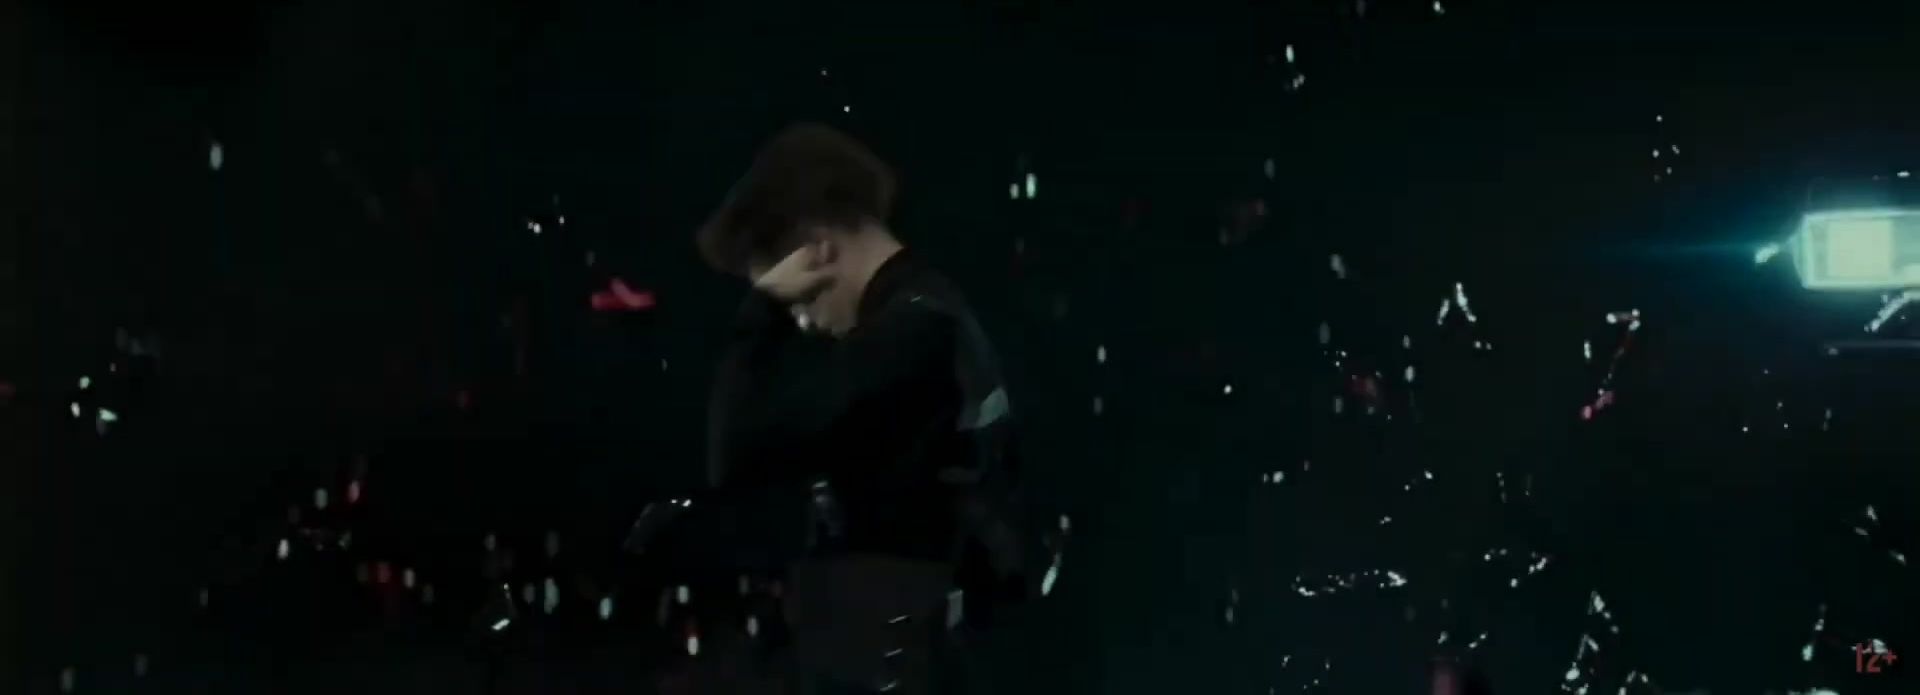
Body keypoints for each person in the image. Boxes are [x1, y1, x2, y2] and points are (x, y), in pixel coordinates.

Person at [692, 123, 1035, 694]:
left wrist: (760, 314)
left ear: (819, 249)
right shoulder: (931, 323)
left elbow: (737, 454)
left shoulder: (911, 337)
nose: (804, 324)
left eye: (797, 299)